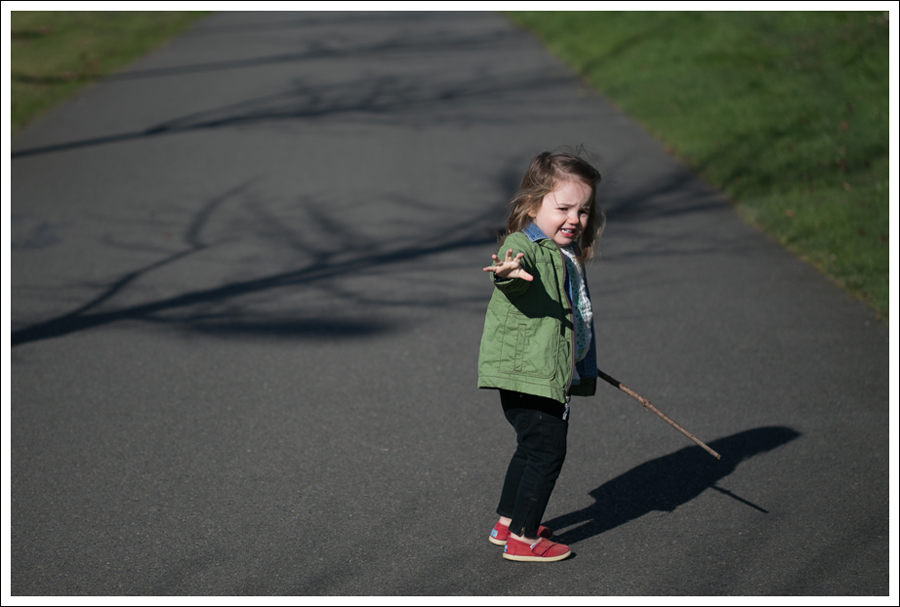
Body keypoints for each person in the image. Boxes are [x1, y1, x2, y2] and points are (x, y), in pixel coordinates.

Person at [478, 151, 604, 562]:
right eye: (563, 207)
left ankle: (507, 522)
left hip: (543, 372)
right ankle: (524, 539)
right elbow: (514, 272)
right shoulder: (525, 245)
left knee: (530, 448)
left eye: (583, 210)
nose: (574, 218)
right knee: (548, 452)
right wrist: (508, 274)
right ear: (533, 206)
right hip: (532, 376)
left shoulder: (565, 253)